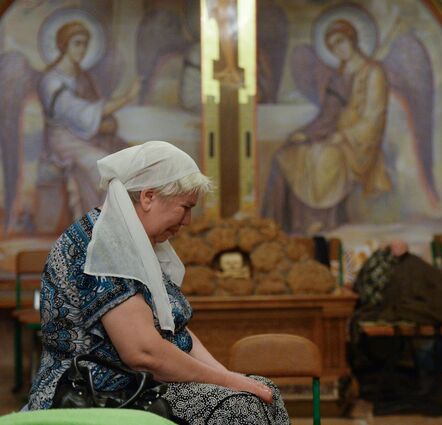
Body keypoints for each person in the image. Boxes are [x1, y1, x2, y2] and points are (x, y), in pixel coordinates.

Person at [27, 141, 290, 424]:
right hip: (98, 394)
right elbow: (143, 353)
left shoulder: (133, 240)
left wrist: (229, 377)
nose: (188, 221)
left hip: (141, 386)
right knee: (239, 408)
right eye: (185, 207)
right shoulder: (101, 244)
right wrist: (227, 381)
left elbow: (176, 332)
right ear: (149, 197)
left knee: (263, 391)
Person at [262, 19, 391, 234]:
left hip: (360, 143)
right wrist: (306, 134)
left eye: (341, 42)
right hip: (334, 135)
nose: (338, 50)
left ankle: (321, 220)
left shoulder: (374, 72)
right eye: (333, 46)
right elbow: (328, 115)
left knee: (323, 158)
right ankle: (289, 223)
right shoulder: (339, 75)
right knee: (288, 154)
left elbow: (375, 117)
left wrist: (345, 136)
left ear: (353, 39)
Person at [38, 20, 140, 218]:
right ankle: (97, 226)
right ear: (63, 45)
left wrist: (108, 125)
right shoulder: (51, 81)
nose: (82, 49)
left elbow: (93, 114)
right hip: (64, 141)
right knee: (103, 167)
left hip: (85, 136)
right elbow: (82, 114)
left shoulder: (82, 76)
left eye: (85, 44)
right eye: (77, 43)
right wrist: (127, 97)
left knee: (128, 158)